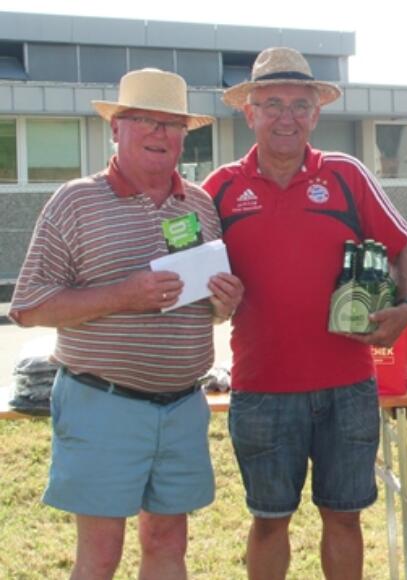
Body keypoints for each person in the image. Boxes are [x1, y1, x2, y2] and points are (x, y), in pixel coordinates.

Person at [8, 68, 243, 579]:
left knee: (167, 541)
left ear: (184, 137)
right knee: (101, 552)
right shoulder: (75, 201)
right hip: (102, 403)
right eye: (144, 120)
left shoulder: (200, 204)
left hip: (183, 405)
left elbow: (208, 306)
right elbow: (28, 306)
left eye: (171, 124)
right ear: (116, 129)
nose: (160, 133)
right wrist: (122, 296)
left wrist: (225, 302)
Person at [202, 47, 407, 580]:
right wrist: (211, 303)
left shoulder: (346, 175)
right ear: (248, 112)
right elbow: (199, 295)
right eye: (272, 104)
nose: (286, 117)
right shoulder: (219, 190)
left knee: (343, 519)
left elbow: (403, 255)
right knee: (269, 523)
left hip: (347, 386)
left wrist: (406, 308)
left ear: (316, 114)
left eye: (300, 105)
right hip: (260, 389)